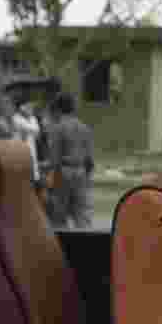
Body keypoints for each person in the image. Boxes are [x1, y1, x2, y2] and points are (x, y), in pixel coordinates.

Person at [46, 92, 95, 229]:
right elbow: (90, 159)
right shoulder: (84, 128)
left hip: (63, 171)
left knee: (59, 216)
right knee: (82, 215)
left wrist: (50, 177)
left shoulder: (58, 128)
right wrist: (87, 177)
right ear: (74, 108)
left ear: (59, 109)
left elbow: (54, 157)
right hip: (81, 171)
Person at [10, 94, 42, 185]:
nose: (31, 108)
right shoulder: (15, 119)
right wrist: (33, 129)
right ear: (21, 107)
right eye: (28, 106)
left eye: (32, 106)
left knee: (33, 179)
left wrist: (33, 129)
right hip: (19, 153)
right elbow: (33, 129)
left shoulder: (32, 118)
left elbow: (37, 131)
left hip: (31, 152)